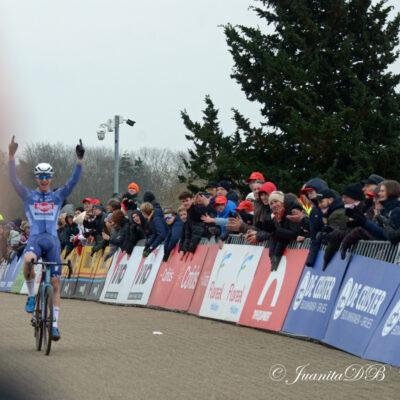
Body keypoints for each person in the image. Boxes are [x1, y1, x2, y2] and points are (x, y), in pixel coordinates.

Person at [8, 136, 84, 341]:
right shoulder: (28, 196)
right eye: (40, 176)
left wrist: (79, 161)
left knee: (55, 283)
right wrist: (12, 156)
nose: (43, 179)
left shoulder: (57, 196)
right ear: (36, 178)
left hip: (52, 241)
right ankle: (32, 295)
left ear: (51, 178)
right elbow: (13, 180)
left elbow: (73, 182)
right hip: (34, 239)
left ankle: (55, 326)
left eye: (47, 176)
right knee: (27, 260)